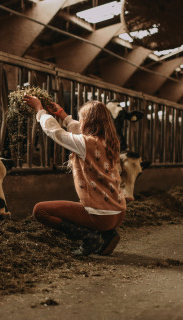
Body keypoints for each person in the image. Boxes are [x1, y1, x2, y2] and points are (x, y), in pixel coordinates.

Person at [23, 94, 126, 256]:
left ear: (88, 122)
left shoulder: (86, 144)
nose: (81, 122)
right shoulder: (110, 141)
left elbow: (56, 133)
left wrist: (40, 110)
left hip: (101, 216)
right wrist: (63, 115)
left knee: (40, 210)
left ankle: (89, 237)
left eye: (82, 119)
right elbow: (81, 130)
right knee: (81, 208)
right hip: (118, 214)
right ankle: (107, 235)